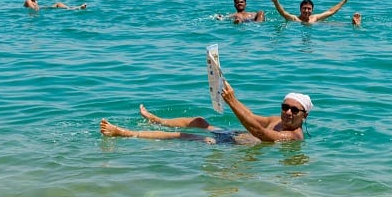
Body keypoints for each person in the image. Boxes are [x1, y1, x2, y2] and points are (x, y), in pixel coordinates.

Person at [99, 80, 311, 144]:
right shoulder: (276, 119)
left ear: (304, 115)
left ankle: (124, 133)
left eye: (294, 110)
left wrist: (232, 103)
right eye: (285, 107)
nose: (288, 112)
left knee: (189, 136)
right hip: (234, 133)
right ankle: (157, 120)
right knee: (199, 122)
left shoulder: (293, 136)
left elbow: (261, 134)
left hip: (231, 144)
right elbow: (253, 117)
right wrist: (231, 97)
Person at [267, 0, 361, 25]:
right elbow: (283, 13)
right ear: (300, 9)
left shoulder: (315, 18)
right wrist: (276, 1)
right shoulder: (295, 19)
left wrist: (345, 0)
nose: (306, 10)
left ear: (312, 10)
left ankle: (353, 24)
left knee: (332, 24)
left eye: (309, 9)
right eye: (304, 8)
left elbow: (331, 11)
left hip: (315, 25)